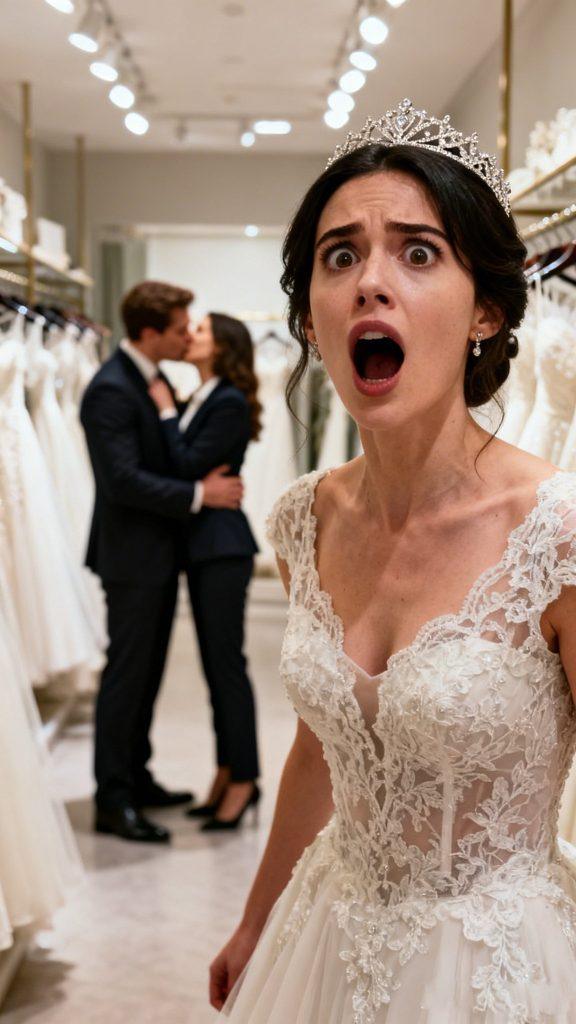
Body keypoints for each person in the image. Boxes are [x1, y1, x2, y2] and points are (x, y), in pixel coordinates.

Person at [209, 100, 576, 1022]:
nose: (371, 282)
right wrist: (256, 920)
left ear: (486, 309)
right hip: (326, 937)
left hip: (495, 969)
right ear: (311, 316)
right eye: (340, 256)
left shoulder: (557, 531)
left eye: (418, 252)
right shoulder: (304, 520)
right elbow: (321, 749)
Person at [81, 281, 243, 844]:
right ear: (150, 333)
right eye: (178, 329)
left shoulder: (152, 380)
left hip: (156, 555)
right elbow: (122, 481)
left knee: (146, 674)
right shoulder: (110, 389)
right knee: (127, 676)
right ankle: (113, 798)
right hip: (131, 557)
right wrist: (200, 495)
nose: (185, 337)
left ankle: (137, 775)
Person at [149, 312, 261, 831]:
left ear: (221, 347)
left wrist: (166, 412)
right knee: (216, 669)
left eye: (200, 331)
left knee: (226, 667)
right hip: (204, 545)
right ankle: (226, 771)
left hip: (222, 547)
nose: (189, 336)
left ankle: (244, 780)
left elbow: (185, 464)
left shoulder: (228, 401)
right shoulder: (207, 394)